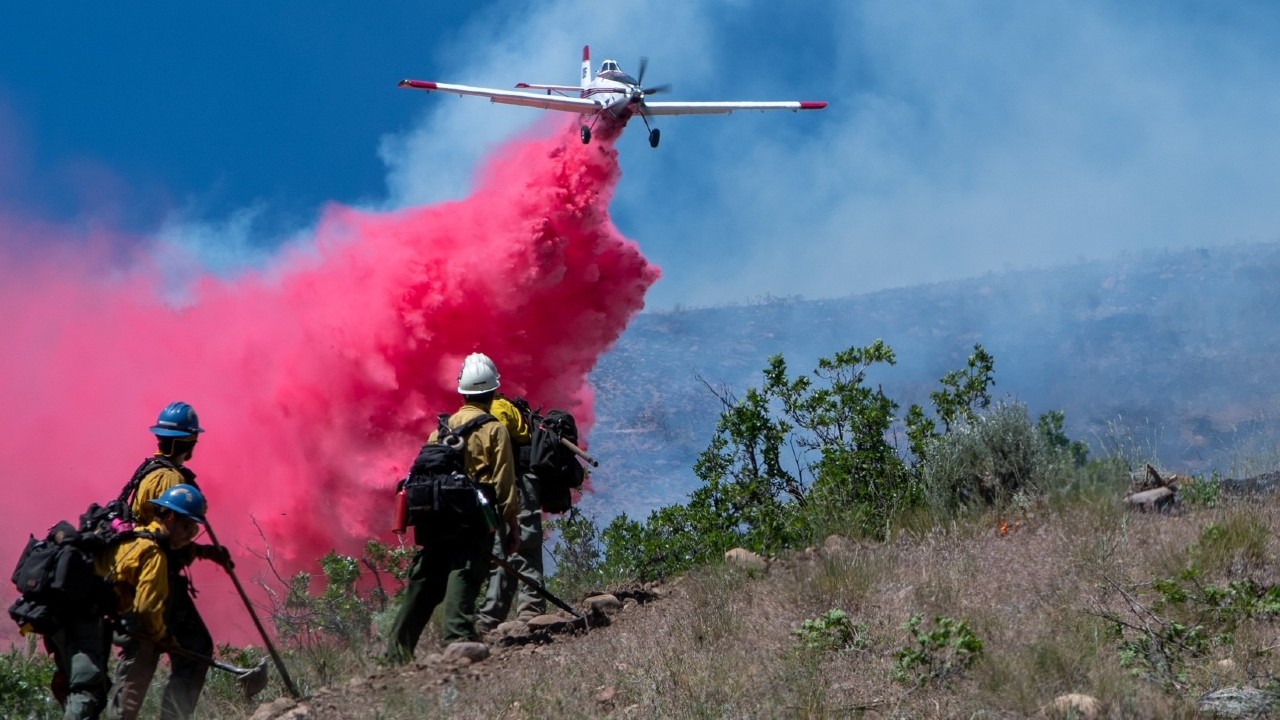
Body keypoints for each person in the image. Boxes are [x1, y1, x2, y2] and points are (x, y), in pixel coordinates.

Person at [386, 353, 521, 662]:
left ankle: (395, 652)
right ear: (492, 393)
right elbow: (503, 483)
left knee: (425, 578)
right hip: (471, 518)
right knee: (465, 569)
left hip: (434, 516)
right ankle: (458, 638)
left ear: (463, 393)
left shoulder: (440, 431)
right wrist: (511, 525)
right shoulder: (494, 429)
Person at [111, 402, 230, 720]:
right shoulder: (169, 479)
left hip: (145, 571)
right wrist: (200, 551)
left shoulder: (150, 471)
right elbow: (166, 539)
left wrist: (204, 553)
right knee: (193, 648)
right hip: (156, 576)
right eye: (193, 439)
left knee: (143, 654)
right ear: (186, 442)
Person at [102, 484, 211, 720]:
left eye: (194, 529)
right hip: (138, 629)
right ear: (169, 516)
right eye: (186, 527)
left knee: (126, 695)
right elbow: (146, 609)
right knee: (128, 698)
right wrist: (165, 637)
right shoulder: (153, 553)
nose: (189, 535)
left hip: (124, 621)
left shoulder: (139, 537)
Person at [475, 360, 546, 632]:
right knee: (506, 549)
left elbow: (499, 448)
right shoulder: (496, 408)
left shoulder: (499, 409)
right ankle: (498, 616)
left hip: (516, 484)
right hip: (504, 485)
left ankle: (528, 614)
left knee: (520, 545)